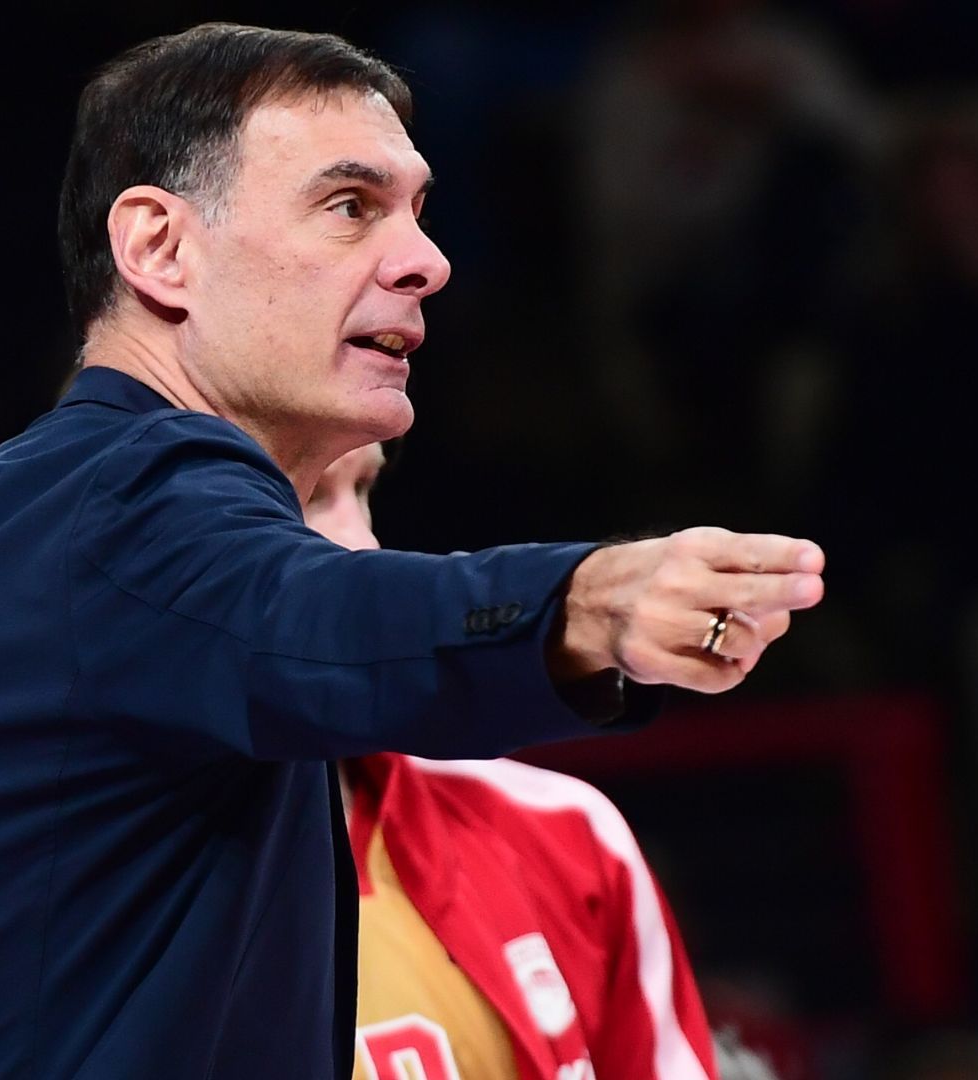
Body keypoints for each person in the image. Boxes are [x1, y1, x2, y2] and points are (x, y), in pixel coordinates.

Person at [0, 23, 825, 1079]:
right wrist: (584, 600)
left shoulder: (70, 527)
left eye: (418, 211)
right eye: (350, 206)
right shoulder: (116, 496)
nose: (427, 261)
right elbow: (309, 616)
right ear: (159, 248)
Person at [304, 443, 718, 1080]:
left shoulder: (564, 833)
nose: (361, 543)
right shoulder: (141, 884)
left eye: (363, 490)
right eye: (304, 496)